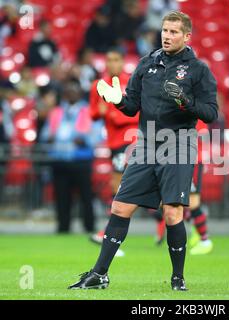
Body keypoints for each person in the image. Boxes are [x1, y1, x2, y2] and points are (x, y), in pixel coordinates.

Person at [68, 11, 218, 291]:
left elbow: (210, 113)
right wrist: (117, 100)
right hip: (147, 144)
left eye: (174, 32)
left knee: (172, 213)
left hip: (178, 143)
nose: (167, 36)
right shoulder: (146, 63)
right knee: (120, 206)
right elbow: (132, 106)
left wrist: (185, 101)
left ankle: (177, 279)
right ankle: (99, 274)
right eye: (165, 30)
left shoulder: (199, 70)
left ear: (187, 36)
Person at [88, 48, 139, 257]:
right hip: (114, 142)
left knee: (119, 185)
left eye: (116, 59)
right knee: (122, 186)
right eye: (109, 60)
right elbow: (93, 113)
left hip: (133, 141)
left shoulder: (133, 82)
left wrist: (113, 114)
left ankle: (106, 233)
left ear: (123, 61)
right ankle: (167, 218)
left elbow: (137, 111)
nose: (112, 63)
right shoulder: (97, 86)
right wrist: (102, 112)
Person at [40, 79, 103, 233]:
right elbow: (44, 134)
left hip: (81, 160)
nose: (71, 92)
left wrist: (85, 139)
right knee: (61, 197)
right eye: (68, 89)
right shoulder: (56, 112)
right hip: (60, 159)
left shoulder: (88, 111)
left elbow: (96, 135)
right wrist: (49, 137)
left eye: (74, 89)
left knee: (86, 196)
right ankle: (63, 227)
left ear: (80, 92)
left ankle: (89, 227)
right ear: (64, 93)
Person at [152, 120, 213, 256]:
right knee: (177, 202)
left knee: (192, 202)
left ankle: (205, 241)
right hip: (177, 160)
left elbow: (200, 134)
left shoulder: (195, 113)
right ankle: (198, 235)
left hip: (192, 160)